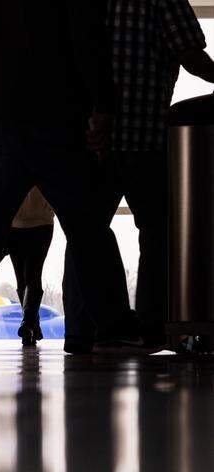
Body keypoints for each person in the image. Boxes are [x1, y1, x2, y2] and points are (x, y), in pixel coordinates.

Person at [0, 0, 155, 356]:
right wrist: (102, 104)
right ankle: (114, 326)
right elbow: (85, 34)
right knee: (87, 224)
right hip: (56, 109)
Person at [63, 0, 214, 354]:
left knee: (85, 233)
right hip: (145, 137)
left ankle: (83, 329)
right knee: (157, 233)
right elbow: (190, 52)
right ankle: (151, 325)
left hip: (93, 139)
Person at [4, 188, 55, 347]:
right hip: (42, 221)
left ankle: (28, 324)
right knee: (32, 275)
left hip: (16, 222)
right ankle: (31, 325)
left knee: (23, 278)